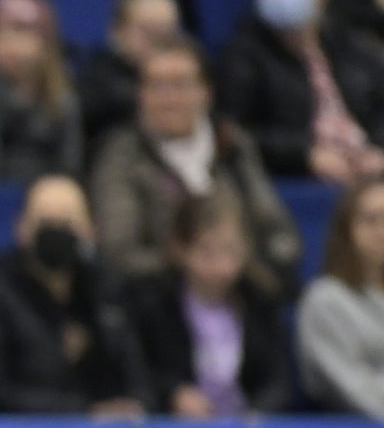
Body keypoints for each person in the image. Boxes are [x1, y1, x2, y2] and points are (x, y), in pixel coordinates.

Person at [90, 40, 301, 283]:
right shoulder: (121, 154)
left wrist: (251, 272)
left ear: (205, 93)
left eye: (180, 85)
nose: (168, 99)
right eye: (156, 86)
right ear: (140, 95)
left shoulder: (232, 144)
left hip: (244, 291)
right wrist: (195, 270)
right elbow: (118, 254)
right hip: (161, 298)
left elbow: (278, 231)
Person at [0, 175, 146, 416]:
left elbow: (137, 377)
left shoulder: (107, 292)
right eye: (46, 222)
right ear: (21, 227)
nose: (57, 232)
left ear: (90, 230)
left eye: (68, 223)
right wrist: (85, 412)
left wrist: (134, 405)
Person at [122, 188, 294, 416]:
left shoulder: (261, 299)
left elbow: (277, 382)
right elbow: (144, 376)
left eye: (230, 251)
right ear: (180, 249)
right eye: (207, 251)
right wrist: (173, 393)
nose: (221, 266)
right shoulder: (154, 303)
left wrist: (259, 412)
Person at [214, 0, 384, 185]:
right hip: (302, 174)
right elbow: (233, 133)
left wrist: (378, 147)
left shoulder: (348, 44)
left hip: (368, 163)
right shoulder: (244, 58)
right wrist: (304, 155)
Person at [0, 0, 83, 184]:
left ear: (45, 41)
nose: (9, 42)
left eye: (20, 31)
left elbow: (70, 163)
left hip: (47, 193)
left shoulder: (63, 86)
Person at [298, 174, 384, 415]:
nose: (381, 231)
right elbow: (358, 393)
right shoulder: (326, 301)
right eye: (371, 220)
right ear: (347, 228)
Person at [81, 0, 185, 147]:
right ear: (118, 31)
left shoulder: (191, 82)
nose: (158, 42)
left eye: (166, 33)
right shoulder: (96, 85)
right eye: (148, 31)